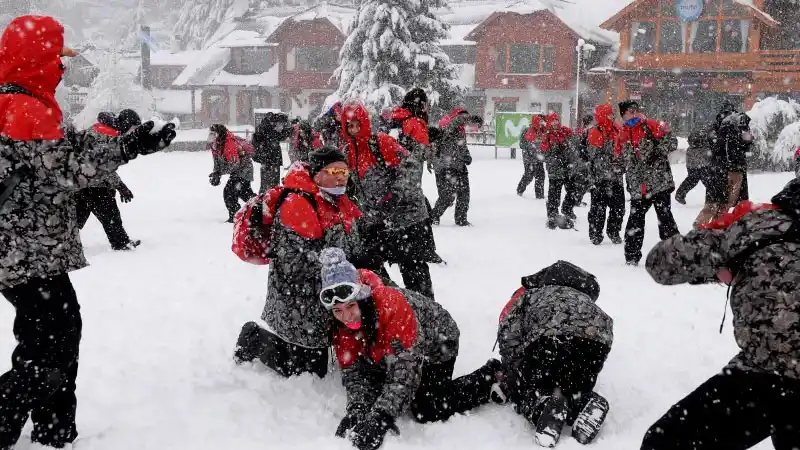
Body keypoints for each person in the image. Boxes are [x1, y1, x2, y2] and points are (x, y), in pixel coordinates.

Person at [0, 15, 176, 450]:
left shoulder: (18, 102)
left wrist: (127, 143)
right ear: (38, 60)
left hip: (22, 251)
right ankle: (27, 424)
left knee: (47, 339)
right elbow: (67, 165)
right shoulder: (23, 109)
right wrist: (128, 146)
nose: (62, 68)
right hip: (27, 251)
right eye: (57, 59)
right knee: (53, 343)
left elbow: (71, 147)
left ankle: (54, 429)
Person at [640, 178, 800, 450]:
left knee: (664, 442)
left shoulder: (761, 223)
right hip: (774, 372)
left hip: (770, 373)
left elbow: (660, 263)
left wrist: (724, 236)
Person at [320, 248, 502, 450]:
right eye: (337, 310)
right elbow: (353, 369)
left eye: (351, 306)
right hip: (387, 349)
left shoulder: (392, 308)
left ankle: (490, 377)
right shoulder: (340, 324)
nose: (346, 317)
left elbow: (406, 372)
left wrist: (381, 417)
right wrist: (357, 409)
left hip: (438, 343)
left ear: (362, 299)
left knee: (427, 408)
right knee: (375, 389)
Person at [234, 147, 375, 378]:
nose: (342, 177)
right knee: (305, 370)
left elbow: (349, 238)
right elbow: (294, 262)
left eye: (345, 171)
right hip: (299, 301)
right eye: (335, 171)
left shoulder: (338, 199)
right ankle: (253, 339)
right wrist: (346, 264)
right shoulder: (297, 203)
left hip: (329, 295)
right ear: (317, 174)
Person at [497, 261, 613, 447]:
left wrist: (513, 369)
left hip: (550, 337)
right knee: (573, 385)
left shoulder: (532, 294)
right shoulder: (583, 298)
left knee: (524, 389)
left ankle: (542, 407)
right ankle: (587, 402)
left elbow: (508, 334)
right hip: (597, 343)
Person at [340, 100, 437, 299]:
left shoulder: (381, 143)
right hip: (377, 221)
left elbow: (410, 167)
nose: (354, 130)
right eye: (350, 126)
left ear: (365, 123)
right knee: (370, 267)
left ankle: (425, 309)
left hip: (406, 218)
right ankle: (392, 304)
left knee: (413, 270)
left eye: (358, 124)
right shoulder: (348, 153)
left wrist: (394, 196)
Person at [615, 100, 680, 265]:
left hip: (659, 183)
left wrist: (658, 151)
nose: (633, 114)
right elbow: (619, 158)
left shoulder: (651, 125)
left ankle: (676, 255)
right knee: (635, 221)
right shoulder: (622, 133)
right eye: (629, 112)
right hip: (638, 186)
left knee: (665, 220)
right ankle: (631, 257)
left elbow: (672, 141)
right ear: (623, 115)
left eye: (635, 111)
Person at [74, 110, 142, 251]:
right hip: (95, 184)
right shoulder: (106, 135)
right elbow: (103, 167)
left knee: (76, 216)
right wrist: (120, 186)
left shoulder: (100, 129)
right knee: (110, 215)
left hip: (81, 181)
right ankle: (121, 243)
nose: (132, 132)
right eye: (133, 129)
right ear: (126, 124)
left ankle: (60, 242)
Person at [430, 108, 482, 226]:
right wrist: (467, 118)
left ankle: (461, 219)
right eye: (463, 117)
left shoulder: (460, 129)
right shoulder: (448, 125)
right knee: (448, 196)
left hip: (459, 165)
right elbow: (450, 129)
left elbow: (462, 146)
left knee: (464, 194)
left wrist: (467, 155)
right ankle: (433, 216)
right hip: (448, 165)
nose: (466, 121)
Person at [586, 104, 625, 245]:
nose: (612, 116)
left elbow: (622, 150)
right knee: (598, 209)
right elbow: (593, 157)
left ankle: (613, 231)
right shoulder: (595, 132)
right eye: (609, 114)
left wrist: (621, 164)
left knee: (619, 207)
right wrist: (610, 164)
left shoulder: (616, 129)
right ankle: (595, 233)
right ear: (602, 115)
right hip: (600, 178)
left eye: (612, 114)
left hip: (616, 177)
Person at [208, 124, 256, 222]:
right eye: (210, 133)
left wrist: (220, 173)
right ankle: (260, 207)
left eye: (214, 134)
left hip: (244, 169)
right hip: (237, 170)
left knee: (230, 192)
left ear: (219, 134)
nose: (211, 136)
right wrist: (216, 173)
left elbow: (235, 164)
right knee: (243, 192)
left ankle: (236, 216)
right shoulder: (215, 144)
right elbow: (217, 161)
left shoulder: (229, 143)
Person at [541, 112, 577, 229]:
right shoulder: (547, 135)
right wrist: (555, 157)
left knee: (572, 189)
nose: (555, 122)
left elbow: (572, 146)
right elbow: (545, 153)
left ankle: (567, 209)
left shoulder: (564, 132)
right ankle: (552, 213)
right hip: (555, 169)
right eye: (552, 120)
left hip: (567, 168)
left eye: (556, 120)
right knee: (554, 192)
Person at [253, 111, 292, 192]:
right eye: (280, 124)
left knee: (266, 184)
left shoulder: (264, 128)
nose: (281, 126)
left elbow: (279, 136)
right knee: (272, 184)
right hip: (270, 160)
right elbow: (280, 136)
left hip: (267, 160)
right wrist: (290, 130)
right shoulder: (268, 129)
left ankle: (267, 195)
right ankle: (270, 196)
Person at [517, 114, 547, 199]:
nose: (542, 123)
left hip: (538, 157)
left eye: (543, 121)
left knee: (540, 176)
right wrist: (532, 150)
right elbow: (525, 145)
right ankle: (520, 191)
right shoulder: (529, 131)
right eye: (540, 121)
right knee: (529, 175)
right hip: (529, 158)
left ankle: (539, 195)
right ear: (536, 121)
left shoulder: (542, 130)